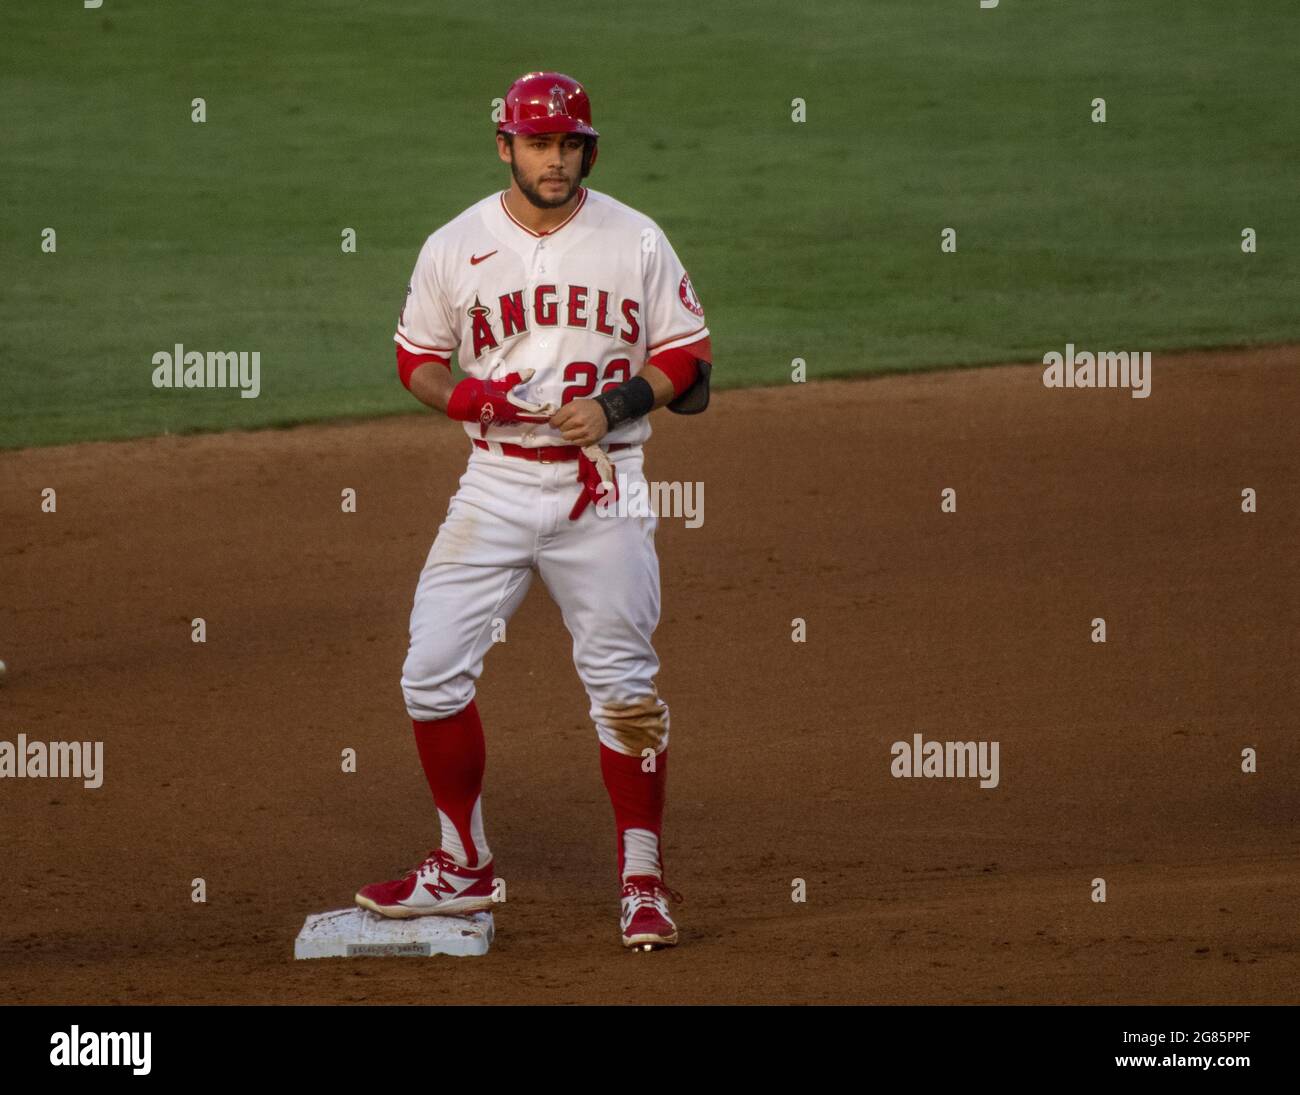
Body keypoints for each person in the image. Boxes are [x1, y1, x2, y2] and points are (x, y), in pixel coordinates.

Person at [354, 71, 713, 950]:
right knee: (430, 669)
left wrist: (620, 404)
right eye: (539, 143)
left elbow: (690, 356)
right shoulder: (454, 245)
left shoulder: (635, 238)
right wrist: (467, 397)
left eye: (570, 144)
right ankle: (462, 863)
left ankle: (642, 877)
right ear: (505, 146)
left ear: (588, 148)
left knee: (625, 691)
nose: (556, 160)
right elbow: (416, 360)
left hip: (606, 484)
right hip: (497, 484)